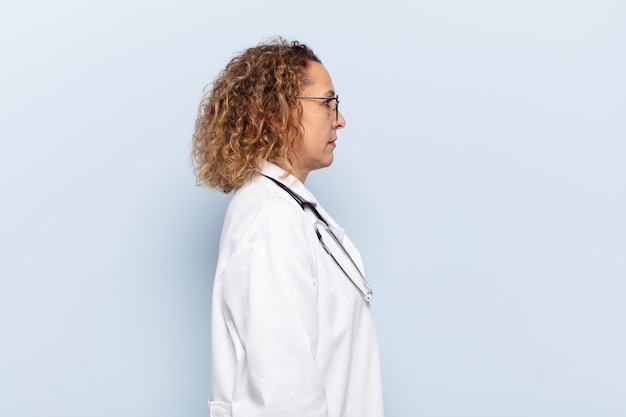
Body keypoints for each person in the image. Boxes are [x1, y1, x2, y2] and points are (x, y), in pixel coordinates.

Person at [192, 38, 384, 417]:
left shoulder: (291, 210)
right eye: (327, 102)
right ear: (276, 113)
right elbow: (284, 393)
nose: (339, 118)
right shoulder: (269, 224)